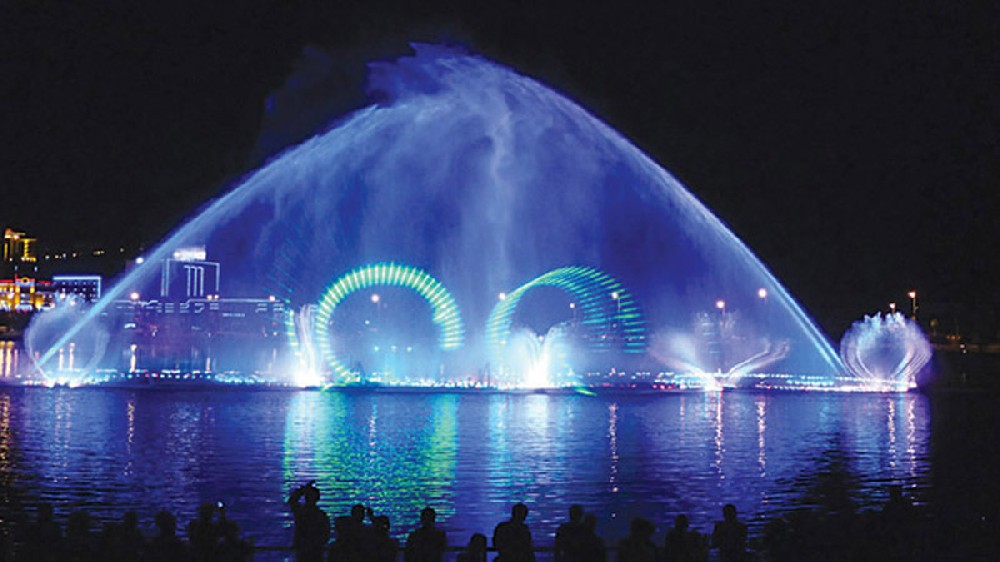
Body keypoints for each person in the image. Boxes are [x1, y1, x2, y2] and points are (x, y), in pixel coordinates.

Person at [288, 481, 330, 562]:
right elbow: (326, 534)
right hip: (316, 551)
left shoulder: (301, 513)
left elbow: (292, 500)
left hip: (303, 550)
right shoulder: (321, 515)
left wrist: (303, 490)